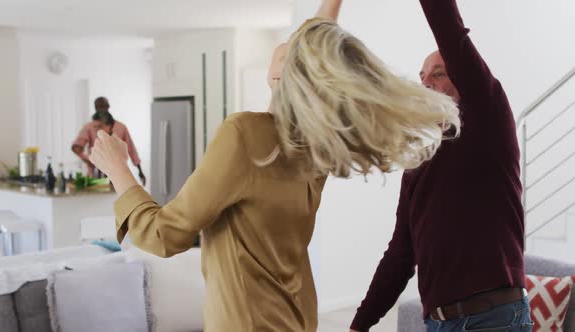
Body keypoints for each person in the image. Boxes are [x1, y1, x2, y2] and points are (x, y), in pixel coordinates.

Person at [89, 0, 459, 330]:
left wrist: (117, 169)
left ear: (285, 74)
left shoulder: (245, 135)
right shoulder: (318, 143)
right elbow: (314, 47)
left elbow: (163, 236)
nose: (288, 47)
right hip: (296, 318)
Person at [350, 1, 531, 331]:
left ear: (463, 80)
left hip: (494, 319)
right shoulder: (419, 160)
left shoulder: (488, 117)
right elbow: (400, 255)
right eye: (422, 77)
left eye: (439, 73)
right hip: (438, 323)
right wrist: (359, 324)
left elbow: (449, 30)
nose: (426, 83)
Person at [72, 97, 145, 185]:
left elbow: (131, 149)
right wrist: (89, 160)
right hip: (96, 176)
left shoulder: (121, 127)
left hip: (118, 176)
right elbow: (76, 147)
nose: (100, 109)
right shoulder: (89, 126)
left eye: (103, 106)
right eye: (98, 107)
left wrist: (140, 170)